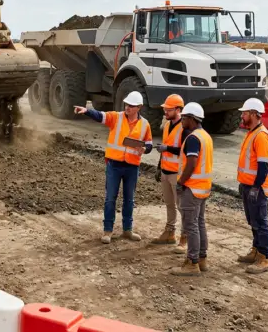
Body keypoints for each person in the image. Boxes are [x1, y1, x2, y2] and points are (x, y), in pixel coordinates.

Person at [74, 92, 153, 244]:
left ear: (139, 107)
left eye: (131, 105)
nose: (127, 107)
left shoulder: (145, 124)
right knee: (110, 199)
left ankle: (127, 230)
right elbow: (101, 116)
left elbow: (148, 143)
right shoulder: (116, 117)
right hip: (114, 165)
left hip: (132, 167)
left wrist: (145, 149)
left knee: (129, 200)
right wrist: (87, 111)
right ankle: (108, 230)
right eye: (126, 104)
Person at [171, 102, 213, 276]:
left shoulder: (193, 138)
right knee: (199, 224)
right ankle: (202, 259)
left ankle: (192, 262)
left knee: (191, 226)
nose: (181, 121)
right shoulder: (206, 136)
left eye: (184, 118)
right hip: (203, 188)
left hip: (192, 188)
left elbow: (192, 163)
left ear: (191, 119)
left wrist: (181, 181)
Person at [235, 98, 268, 274]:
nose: (242, 115)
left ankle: (264, 257)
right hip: (248, 185)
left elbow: (263, 166)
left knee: (260, 221)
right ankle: (256, 250)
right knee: (253, 221)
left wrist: (256, 188)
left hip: (256, 188)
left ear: (253, 114)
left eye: (244, 113)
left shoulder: (261, 136)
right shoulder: (251, 133)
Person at [150, 94, 190, 250]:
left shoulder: (185, 128)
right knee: (169, 204)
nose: (165, 111)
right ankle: (169, 233)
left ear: (178, 109)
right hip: (166, 172)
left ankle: (184, 238)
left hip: (177, 174)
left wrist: (167, 149)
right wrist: (159, 167)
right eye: (165, 109)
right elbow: (164, 147)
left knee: (181, 207)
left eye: (168, 109)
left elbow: (185, 150)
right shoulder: (167, 125)